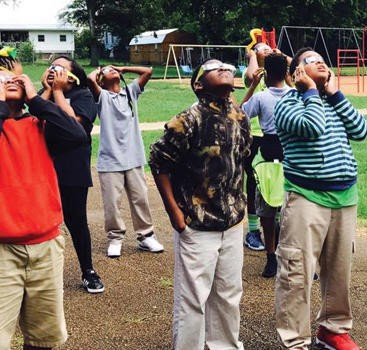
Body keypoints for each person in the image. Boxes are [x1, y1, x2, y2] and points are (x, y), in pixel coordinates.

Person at [149, 59, 250, 350]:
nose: (223, 67)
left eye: (226, 65)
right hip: (197, 222)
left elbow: (242, 158)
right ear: (199, 84)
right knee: (193, 299)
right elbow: (159, 161)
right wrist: (173, 212)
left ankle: (224, 345)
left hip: (231, 222)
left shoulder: (239, 116)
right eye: (213, 66)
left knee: (229, 294)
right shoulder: (188, 120)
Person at [274, 47, 367, 350]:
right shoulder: (287, 104)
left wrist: (336, 95)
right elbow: (312, 128)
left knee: (339, 269)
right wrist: (311, 92)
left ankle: (333, 328)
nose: (320, 62)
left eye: (321, 59)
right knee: (296, 271)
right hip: (306, 196)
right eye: (310, 61)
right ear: (296, 74)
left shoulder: (334, 101)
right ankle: (295, 339)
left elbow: (361, 130)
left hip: (344, 196)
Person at [0, 69, 86, 349]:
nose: (9, 81)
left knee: (42, 336)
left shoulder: (39, 125)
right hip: (2, 250)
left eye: (14, 79)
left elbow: (77, 135)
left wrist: (37, 98)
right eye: (1, 80)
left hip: (46, 246)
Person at [39, 56, 104, 293]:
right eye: (52, 66)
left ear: (73, 75)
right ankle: (40, 273)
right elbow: (32, 119)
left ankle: (88, 271)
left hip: (72, 168)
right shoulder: (45, 92)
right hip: (43, 168)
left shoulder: (83, 96)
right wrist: (47, 91)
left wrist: (57, 93)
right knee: (43, 222)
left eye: (60, 68)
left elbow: (76, 127)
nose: (54, 70)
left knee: (76, 221)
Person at [87, 65, 164, 258]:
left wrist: (122, 68)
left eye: (114, 70)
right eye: (106, 71)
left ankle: (146, 236)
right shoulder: (102, 97)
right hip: (110, 160)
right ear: (101, 80)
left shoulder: (130, 93)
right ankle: (115, 238)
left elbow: (148, 71)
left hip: (133, 157)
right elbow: (89, 79)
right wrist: (98, 71)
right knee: (112, 203)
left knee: (140, 199)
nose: (112, 70)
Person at [241, 52, 290, 278]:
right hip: (293, 154)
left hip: (269, 153)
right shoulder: (296, 95)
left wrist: (252, 85)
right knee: (292, 210)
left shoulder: (261, 97)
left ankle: (271, 257)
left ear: (266, 73)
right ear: (287, 73)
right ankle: (291, 256)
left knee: (267, 212)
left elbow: (239, 114)